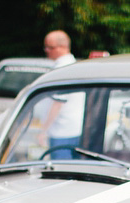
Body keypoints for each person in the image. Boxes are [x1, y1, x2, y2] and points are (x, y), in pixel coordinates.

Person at [40, 30, 83, 159]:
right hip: (74, 129)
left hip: (61, 132)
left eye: (50, 47)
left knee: (59, 170)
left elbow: (58, 103)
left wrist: (43, 130)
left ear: (63, 47)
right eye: (45, 47)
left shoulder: (62, 69)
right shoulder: (74, 65)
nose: (46, 50)